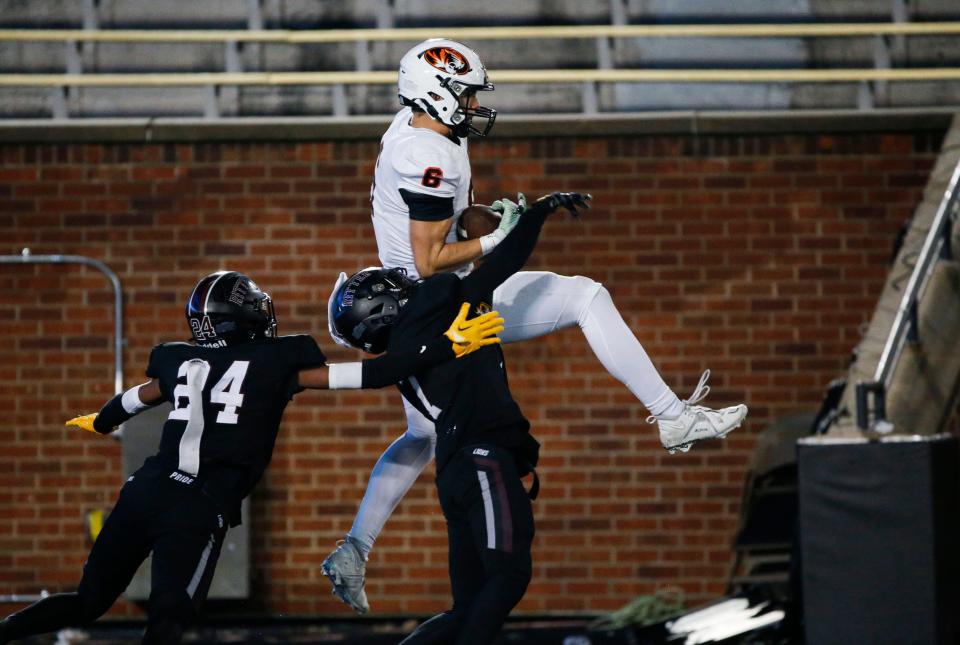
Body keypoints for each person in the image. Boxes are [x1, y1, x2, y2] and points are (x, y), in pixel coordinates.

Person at [321, 38, 748, 614]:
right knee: (584, 297)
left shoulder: (417, 130)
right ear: (436, 93)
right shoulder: (428, 153)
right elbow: (428, 259)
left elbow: (446, 223)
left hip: (419, 305)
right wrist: (500, 237)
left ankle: (353, 548)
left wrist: (492, 218)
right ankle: (674, 418)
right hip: (437, 303)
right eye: (465, 95)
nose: (474, 105)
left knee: (424, 434)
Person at [0, 270, 502, 645]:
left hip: (143, 491)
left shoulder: (179, 361)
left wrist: (102, 420)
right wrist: (445, 347)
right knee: (170, 616)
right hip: (196, 506)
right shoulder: (279, 361)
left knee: (88, 601)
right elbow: (373, 374)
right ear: (248, 318)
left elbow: (139, 395)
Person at [330, 191, 592, 644]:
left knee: (468, 606)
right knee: (509, 577)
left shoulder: (402, 354)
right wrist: (537, 214)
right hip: (482, 460)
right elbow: (501, 266)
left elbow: (375, 375)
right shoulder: (434, 304)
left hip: (456, 470)